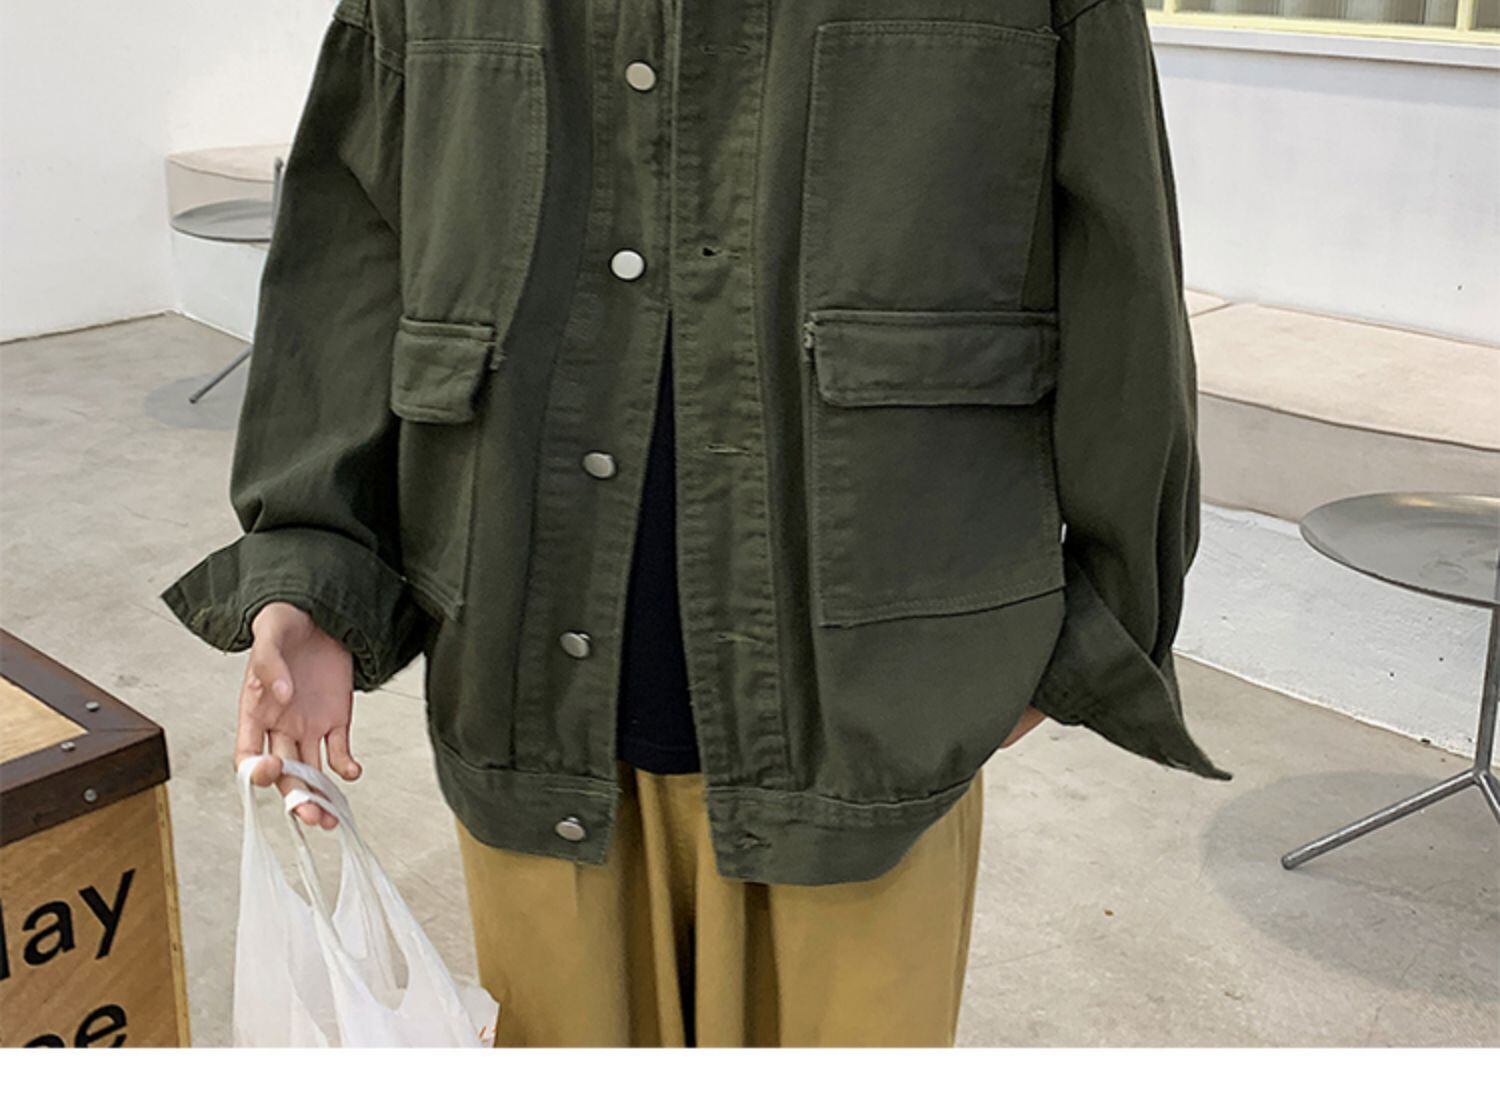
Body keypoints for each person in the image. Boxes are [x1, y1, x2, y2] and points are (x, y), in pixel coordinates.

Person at [162, 0, 1231, 1047]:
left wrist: (1091, 626)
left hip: (871, 708)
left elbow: (1121, 269)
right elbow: (355, 248)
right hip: (526, 692)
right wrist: (315, 572)